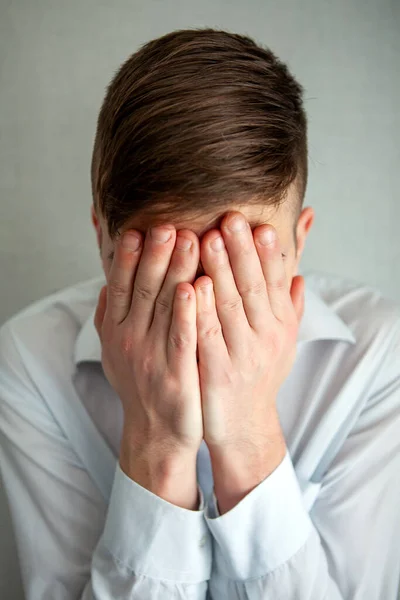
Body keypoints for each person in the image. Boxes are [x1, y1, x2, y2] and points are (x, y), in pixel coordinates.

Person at [0, 28, 399, 600]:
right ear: (103, 244)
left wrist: (249, 435)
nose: (202, 311)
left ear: (299, 241)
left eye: (242, 268)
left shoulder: (379, 357)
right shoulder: (29, 363)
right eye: (165, 275)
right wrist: (156, 442)